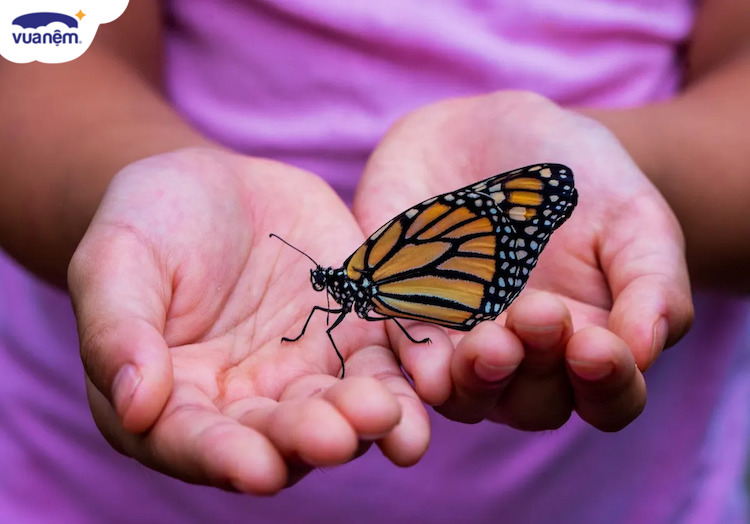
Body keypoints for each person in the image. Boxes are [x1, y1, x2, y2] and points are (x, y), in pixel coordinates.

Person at [1, 0, 748, 521]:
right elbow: (39, 48)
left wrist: (640, 178)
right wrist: (139, 188)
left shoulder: (375, 271)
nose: (327, 288)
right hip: (74, 492)